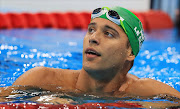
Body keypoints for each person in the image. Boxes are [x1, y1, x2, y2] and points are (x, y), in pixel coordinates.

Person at [12, 6, 180, 98]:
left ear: (130, 52)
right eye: (91, 30)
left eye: (108, 34)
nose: (93, 38)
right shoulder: (41, 79)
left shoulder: (146, 92)